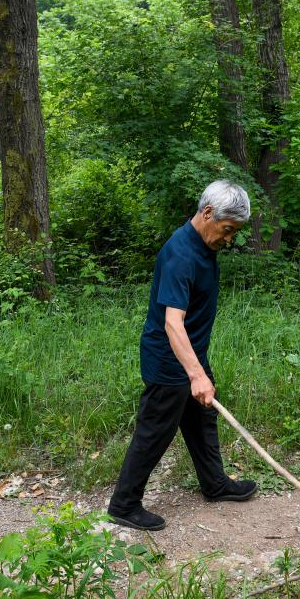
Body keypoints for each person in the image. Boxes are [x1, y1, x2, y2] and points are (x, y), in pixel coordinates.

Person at [108, 180, 257, 531]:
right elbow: (172, 323)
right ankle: (124, 504)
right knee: (156, 430)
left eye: (234, 232)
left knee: (200, 419)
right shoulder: (180, 254)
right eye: (227, 229)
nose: (229, 238)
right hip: (169, 360)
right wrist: (196, 375)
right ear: (207, 213)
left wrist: (199, 369)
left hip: (191, 355)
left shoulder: (204, 247)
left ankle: (215, 484)